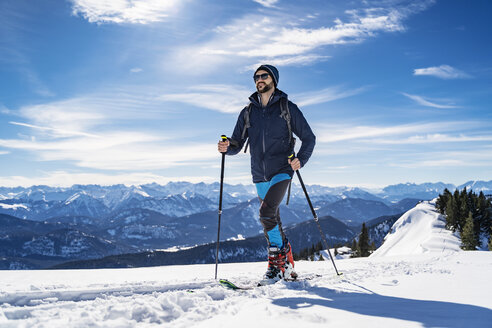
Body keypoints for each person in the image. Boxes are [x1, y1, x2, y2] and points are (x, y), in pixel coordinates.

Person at [218, 64, 316, 283]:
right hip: (259, 173)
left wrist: (302, 158)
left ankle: (276, 265)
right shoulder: (247, 112)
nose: (259, 80)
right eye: (256, 77)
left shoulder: (287, 108)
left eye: (264, 76)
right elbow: (237, 142)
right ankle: (285, 261)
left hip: (282, 169)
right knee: (272, 220)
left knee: (266, 212)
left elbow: (309, 137)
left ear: (274, 80)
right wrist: (227, 147)